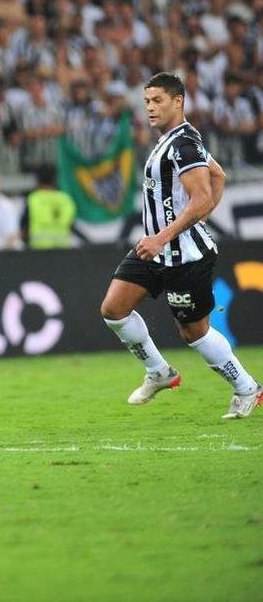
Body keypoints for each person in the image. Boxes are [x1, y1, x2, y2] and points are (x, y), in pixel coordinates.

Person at [99, 72, 261, 419]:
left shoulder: (184, 144)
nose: (150, 108)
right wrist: (165, 235)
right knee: (114, 308)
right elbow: (219, 177)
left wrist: (165, 235)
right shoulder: (171, 140)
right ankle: (159, 373)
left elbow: (203, 195)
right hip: (154, 249)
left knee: (194, 333)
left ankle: (248, 388)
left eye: (157, 100)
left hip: (183, 254)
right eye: (146, 102)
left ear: (178, 101)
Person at [21, 165, 75, 249]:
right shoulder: (65, 199)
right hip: (62, 249)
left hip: (38, 249)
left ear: (38, 181)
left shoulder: (34, 198)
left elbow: (24, 226)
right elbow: (71, 225)